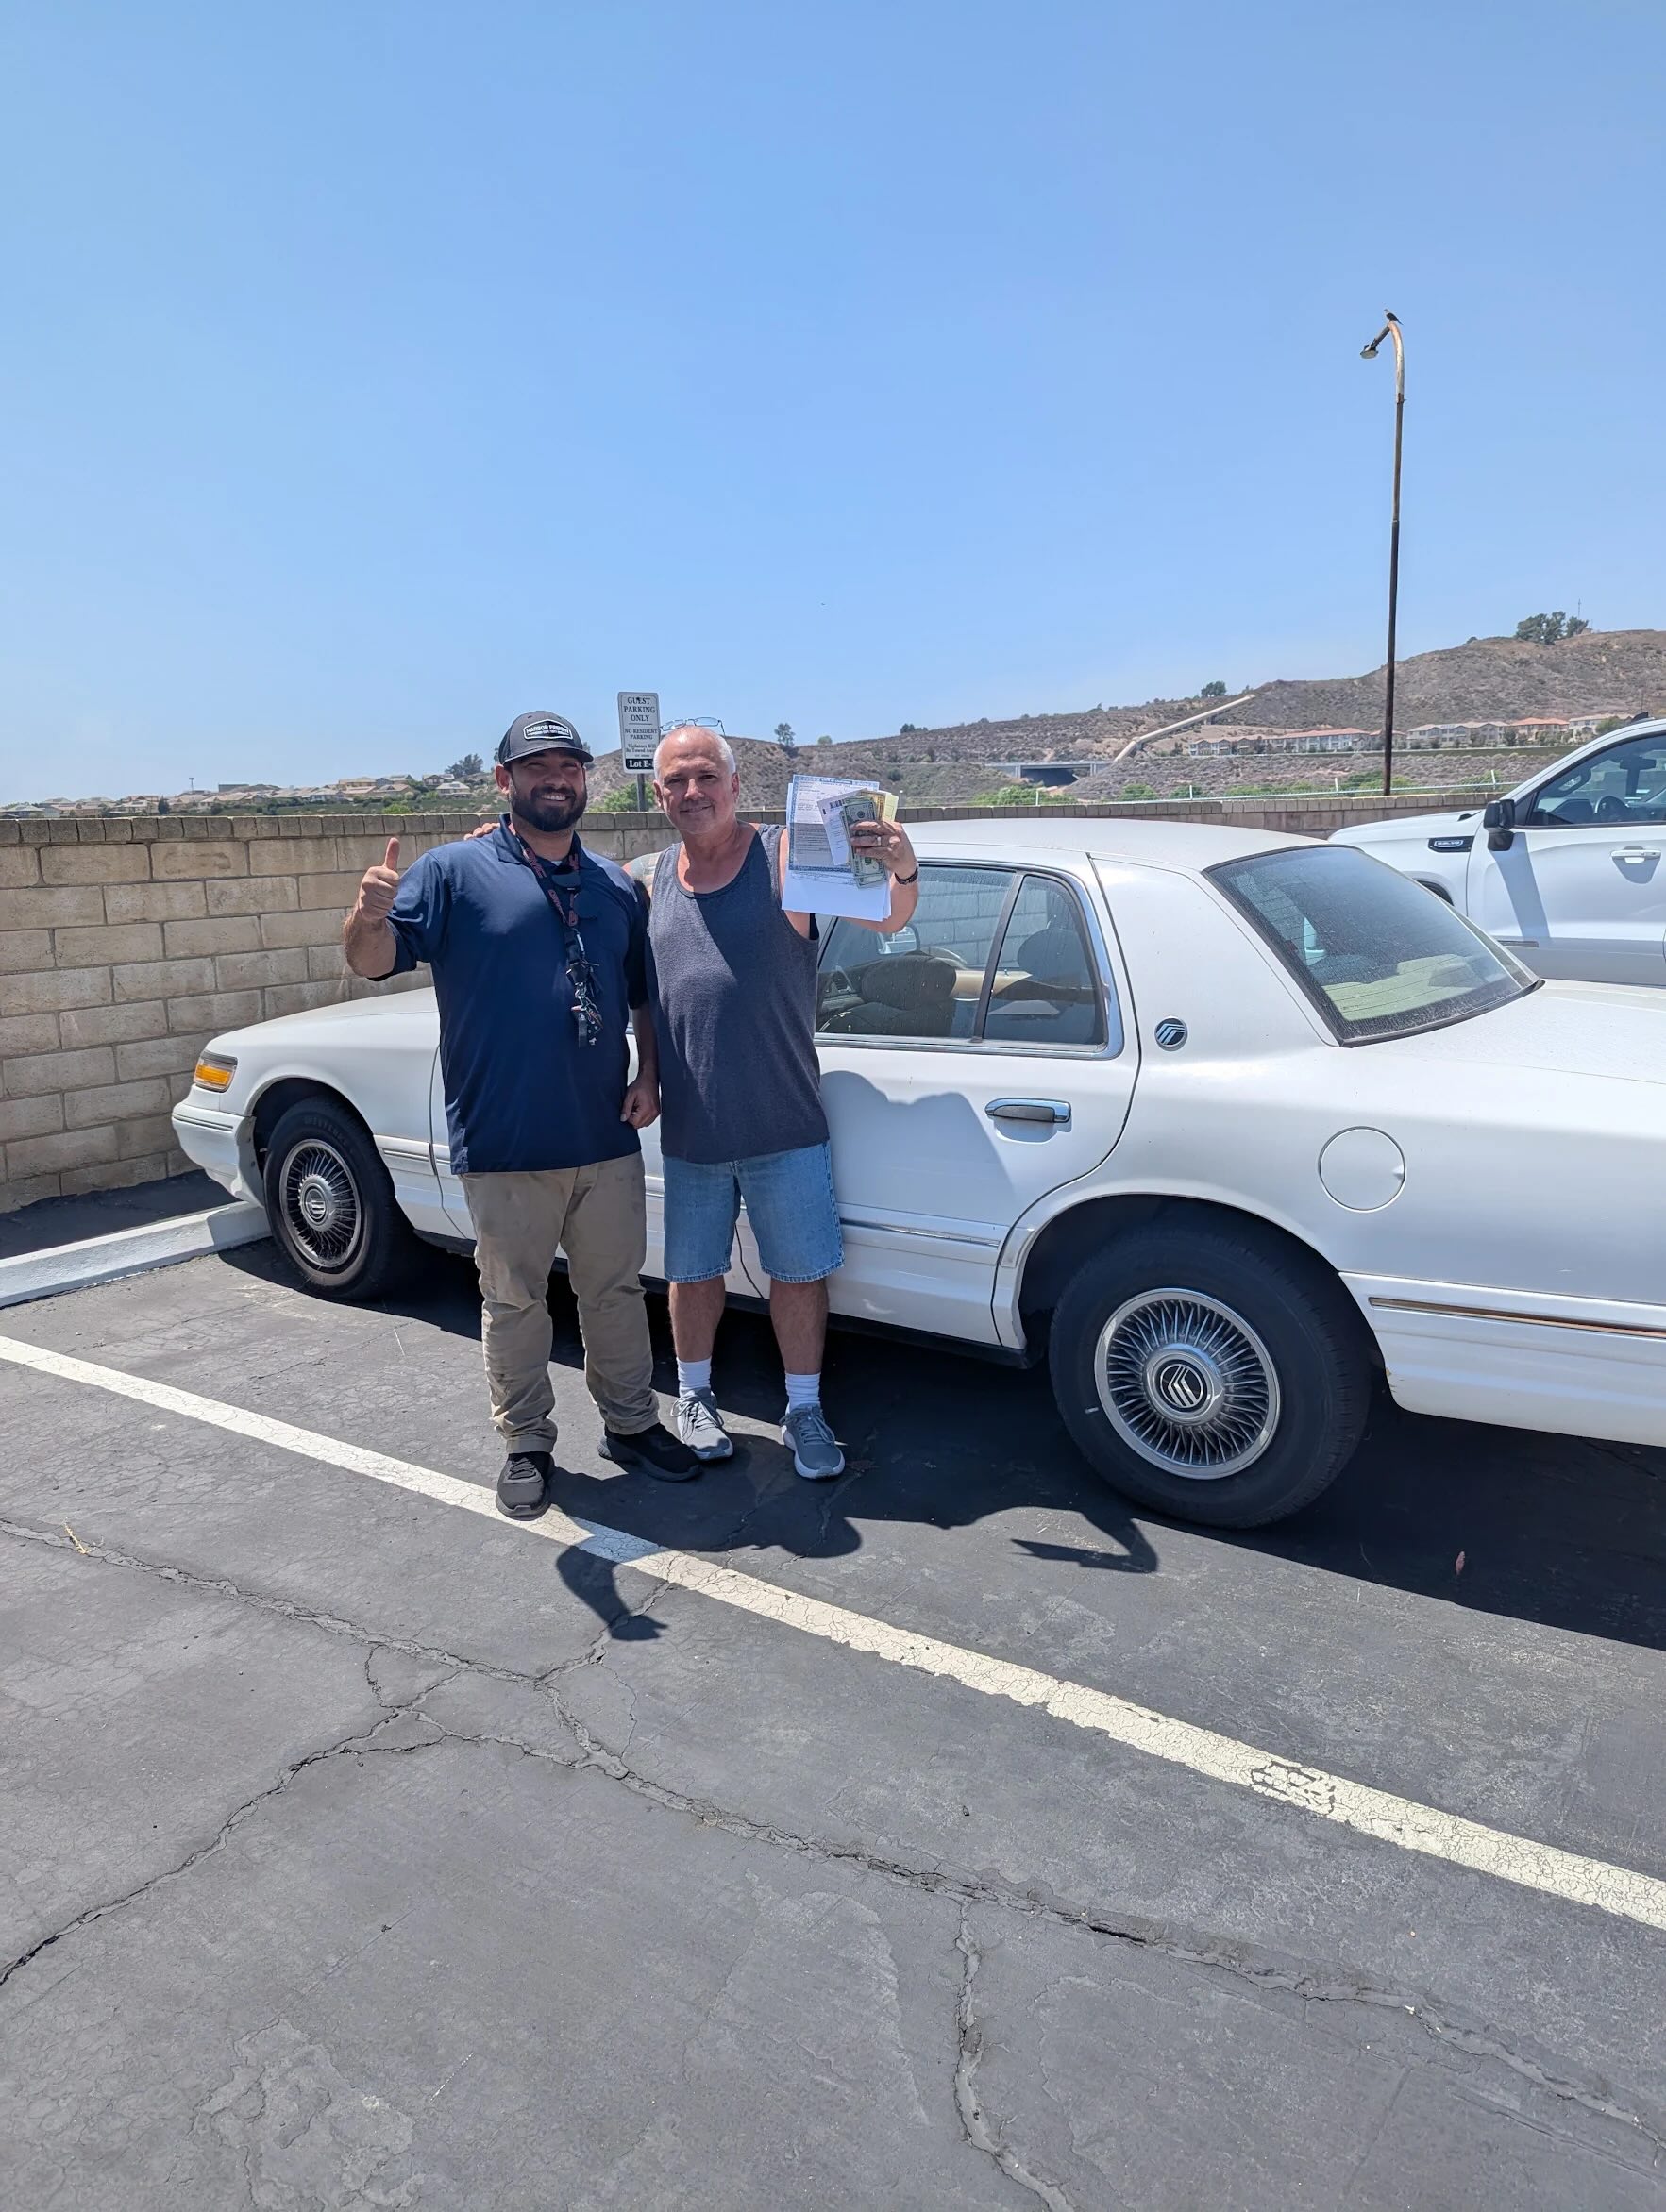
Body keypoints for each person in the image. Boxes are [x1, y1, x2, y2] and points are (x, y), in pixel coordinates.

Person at [343, 711, 698, 1519]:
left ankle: (632, 1426)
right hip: (504, 1141)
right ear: (504, 781)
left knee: (613, 1291)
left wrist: (650, 1072)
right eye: (536, 767)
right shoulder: (451, 873)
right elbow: (372, 962)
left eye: (568, 767)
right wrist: (367, 915)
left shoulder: (613, 884)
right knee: (514, 1302)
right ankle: (527, 1442)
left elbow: (641, 991)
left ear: (585, 781)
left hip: (603, 1134)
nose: (556, 779)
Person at [642, 724, 918, 1477]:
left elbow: (889, 917)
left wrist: (901, 864)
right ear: (660, 793)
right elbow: (645, 994)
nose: (692, 793)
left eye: (705, 777)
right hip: (693, 1129)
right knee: (690, 1272)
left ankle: (803, 1411)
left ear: (734, 786)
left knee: (797, 1274)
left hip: (785, 1123)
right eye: (676, 782)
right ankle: (693, 1396)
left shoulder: (787, 855)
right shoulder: (652, 879)